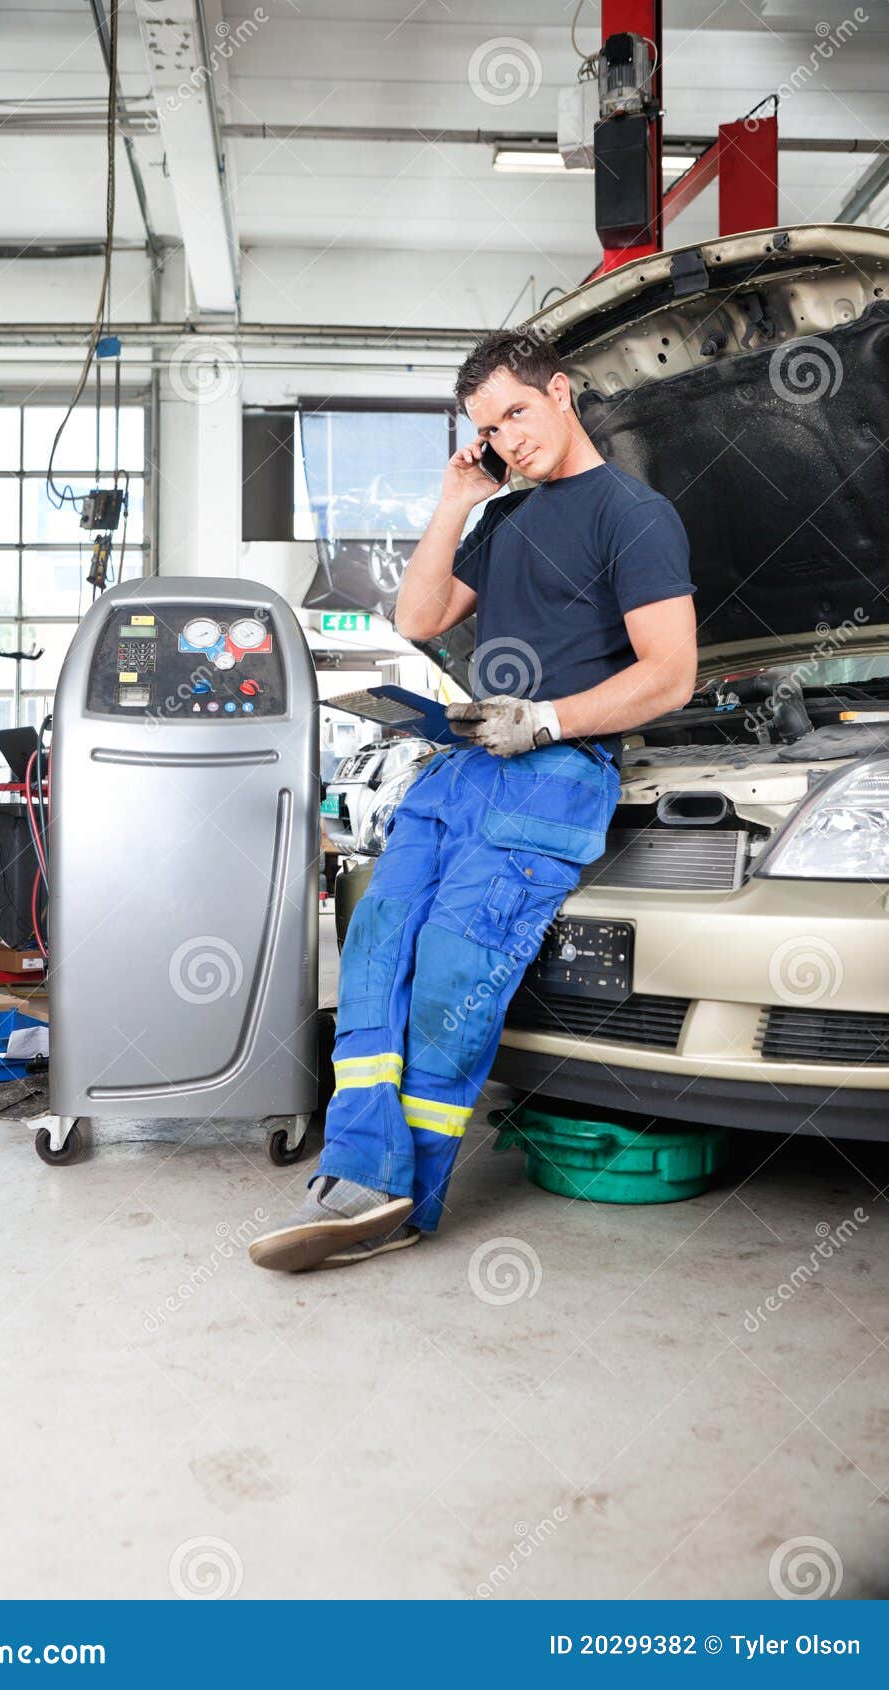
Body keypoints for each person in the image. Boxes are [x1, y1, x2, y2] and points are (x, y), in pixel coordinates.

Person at [249, 329, 697, 1273]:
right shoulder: (497, 519)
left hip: (550, 773)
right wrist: (457, 497)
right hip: (461, 766)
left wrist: (545, 720)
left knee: (455, 971)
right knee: (375, 946)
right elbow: (416, 620)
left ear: (562, 393)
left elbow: (669, 677)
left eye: (517, 413)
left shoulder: (634, 515)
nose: (507, 438)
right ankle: (354, 1175)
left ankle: (401, 1194)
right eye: (488, 427)